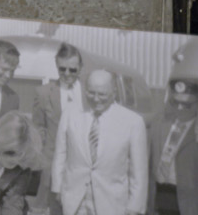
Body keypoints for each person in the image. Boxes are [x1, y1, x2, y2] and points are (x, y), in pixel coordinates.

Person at [53, 69, 148, 215]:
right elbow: (60, 153)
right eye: (91, 92)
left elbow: (139, 171)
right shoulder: (70, 113)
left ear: (114, 92)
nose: (96, 99)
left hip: (112, 204)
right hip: (75, 200)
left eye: (102, 94)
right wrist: (57, 188)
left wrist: (134, 207)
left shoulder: (133, 122)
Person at [36, 45, 89, 215]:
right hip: (54, 166)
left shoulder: (90, 94)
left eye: (72, 70)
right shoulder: (43, 93)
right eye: (62, 69)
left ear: (80, 67)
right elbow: (38, 128)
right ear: (56, 65)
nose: (67, 74)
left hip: (84, 165)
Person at [148, 53, 198, 215]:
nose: (180, 109)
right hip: (159, 197)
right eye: (176, 103)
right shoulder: (159, 122)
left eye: (187, 105)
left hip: (187, 202)